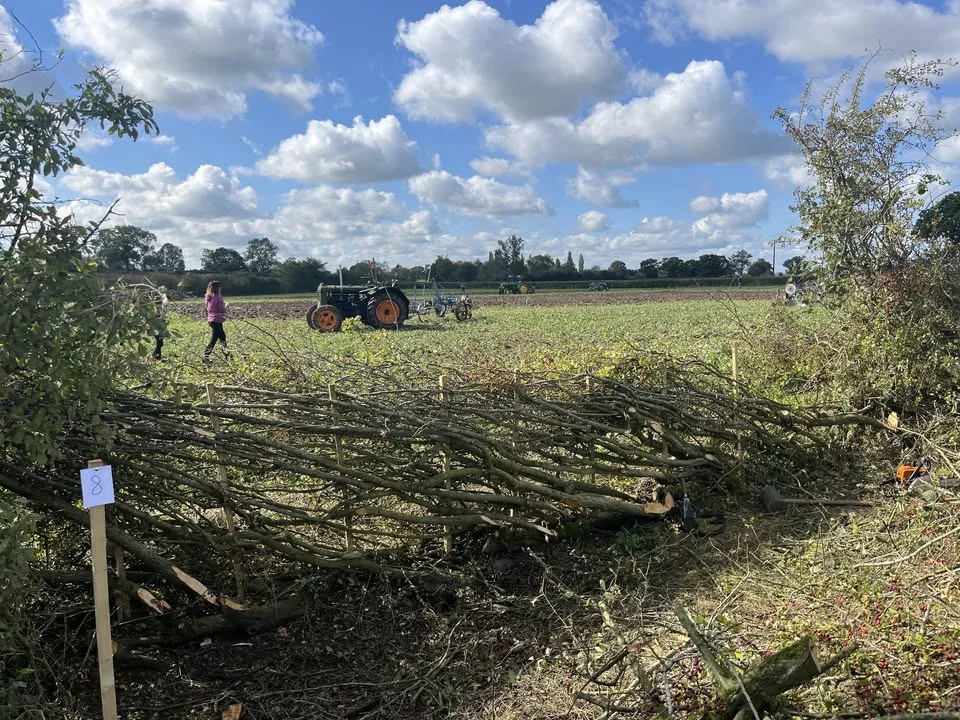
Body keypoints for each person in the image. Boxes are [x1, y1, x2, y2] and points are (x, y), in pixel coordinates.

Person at [203, 281, 230, 364]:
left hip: (211, 320)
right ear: (218, 288)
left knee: (222, 337)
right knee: (213, 340)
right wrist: (226, 305)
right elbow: (222, 310)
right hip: (217, 320)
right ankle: (205, 357)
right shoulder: (218, 297)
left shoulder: (208, 297)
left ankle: (228, 356)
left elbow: (206, 309)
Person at [152, 285, 170, 360]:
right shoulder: (154, 310)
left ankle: (155, 354)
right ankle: (157, 357)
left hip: (160, 327)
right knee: (159, 342)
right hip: (156, 328)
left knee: (160, 342)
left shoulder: (162, 308)